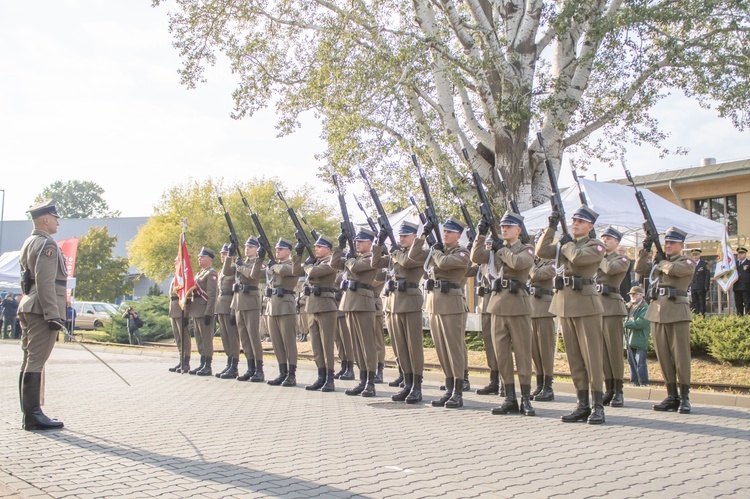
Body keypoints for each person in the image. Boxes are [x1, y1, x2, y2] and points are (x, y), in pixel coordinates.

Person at [536, 205, 606, 425]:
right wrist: (551, 227)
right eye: (573, 220)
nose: (575, 224)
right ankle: (582, 404)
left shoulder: (596, 246)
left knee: (591, 358)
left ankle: (598, 406)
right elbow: (541, 251)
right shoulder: (566, 243)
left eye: (580, 221)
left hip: (586, 305)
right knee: (574, 359)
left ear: (590, 226)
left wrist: (565, 243)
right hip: (565, 303)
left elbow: (577, 258)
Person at [471, 212, 536, 416]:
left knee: (523, 354)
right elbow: (475, 257)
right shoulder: (495, 248)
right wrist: (481, 235)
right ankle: (509, 397)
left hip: (518, 305)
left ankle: (525, 398)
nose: (505, 229)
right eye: (502, 227)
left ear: (518, 230)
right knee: (502, 355)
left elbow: (518, 263)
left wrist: (501, 250)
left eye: (509, 227)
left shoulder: (526, 249)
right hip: (497, 305)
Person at [18, 199, 67, 431]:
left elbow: (26, 281)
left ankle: (31, 413)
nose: (58, 221)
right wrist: (52, 314)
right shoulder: (47, 244)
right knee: (36, 360)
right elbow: (45, 281)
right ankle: (33, 415)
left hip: (30, 305)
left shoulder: (30, 241)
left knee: (30, 359)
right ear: (45, 220)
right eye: (55, 218)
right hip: (41, 309)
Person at [412, 216, 471, 409]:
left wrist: (435, 250)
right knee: (441, 349)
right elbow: (413, 256)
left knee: (454, 349)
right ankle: (449, 387)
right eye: (444, 231)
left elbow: (444, 263)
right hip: (434, 303)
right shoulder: (437, 250)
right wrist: (423, 236)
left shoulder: (462, 253)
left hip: (452, 304)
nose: (446, 234)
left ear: (458, 235)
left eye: (450, 232)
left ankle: (458, 391)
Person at [635, 227, 695, 414]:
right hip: (658, 311)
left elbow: (675, 271)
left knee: (680, 356)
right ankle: (671, 395)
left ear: (681, 245)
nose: (668, 245)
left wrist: (660, 263)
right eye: (666, 242)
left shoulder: (687, 261)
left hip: (677, 311)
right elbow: (639, 270)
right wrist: (646, 249)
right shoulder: (660, 261)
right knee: (664, 357)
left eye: (672, 242)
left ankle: (685, 397)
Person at [371, 221, 428, 403]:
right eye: (400, 235)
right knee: (400, 347)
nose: (402, 238)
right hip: (394, 303)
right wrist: (379, 243)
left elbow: (408, 261)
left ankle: (417, 387)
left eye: (406, 235)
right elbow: (375, 263)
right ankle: (407, 383)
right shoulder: (396, 253)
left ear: (414, 237)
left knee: (414, 347)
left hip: (410, 301)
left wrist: (396, 251)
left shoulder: (421, 253)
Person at [331, 228, 379, 397]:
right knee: (357, 346)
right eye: (356, 241)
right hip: (350, 303)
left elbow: (356, 268)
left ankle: (371, 382)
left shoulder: (371, 258)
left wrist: (350, 256)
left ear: (370, 243)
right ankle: (362, 380)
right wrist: (340, 245)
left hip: (364, 303)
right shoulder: (355, 257)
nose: (358, 243)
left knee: (367, 345)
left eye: (361, 241)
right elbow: (334, 264)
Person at [301, 235, 341, 392]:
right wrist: (300, 257)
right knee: (316, 346)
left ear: (328, 249)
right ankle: (321, 376)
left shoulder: (330, 263)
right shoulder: (316, 263)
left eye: (320, 247)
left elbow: (313, 273)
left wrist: (307, 265)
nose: (316, 249)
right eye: (315, 247)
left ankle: (330, 379)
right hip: (312, 306)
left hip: (326, 306)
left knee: (327, 345)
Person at [597, 227, 630, 408]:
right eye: (602, 238)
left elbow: (610, 269)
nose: (604, 240)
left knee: (614, 352)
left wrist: (598, 256)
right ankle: (608, 388)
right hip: (596, 308)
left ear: (617, 242)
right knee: (602, 352)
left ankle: (618, 391)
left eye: (608, 238)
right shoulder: (597, 258)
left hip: (611, 307)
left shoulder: (622, 259)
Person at [265, 238, 304, 386]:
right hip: (272, 305)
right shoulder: (275, 265)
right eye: (276, 248)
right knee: (277, 342)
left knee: (288, 342)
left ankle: (292, 374)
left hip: (285, 305)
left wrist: (273, 267)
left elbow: (287, 271)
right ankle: (282, 372)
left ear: (288, 252)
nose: (277, 251)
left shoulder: (291, 265)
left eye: (280, 249)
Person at [232, 237, 266, 382]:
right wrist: (230, 255)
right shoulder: (243, 262)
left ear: (257, 249)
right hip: (239, 302)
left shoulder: (258, 263)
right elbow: (228, 270)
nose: (247, 249)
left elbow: (253, 275)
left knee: (253, 337)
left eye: (251, 247)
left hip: (251, 302)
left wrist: (240, 267)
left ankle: (259, 369)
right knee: (244, 338)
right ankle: (250, 367)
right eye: (246, 246)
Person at [472, 236, 502, 397]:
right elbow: (472, 263)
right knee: (489, 344)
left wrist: (499, 250)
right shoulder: (483, 262)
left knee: (500, 345)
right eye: (487, 244)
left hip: (497, 304)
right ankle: (494, 380)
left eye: (491, 244)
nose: (488, 247)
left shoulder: (499, 257)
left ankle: (505, 380)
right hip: (485, 305)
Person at [528, 250, 557, 402]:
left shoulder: (552, 262)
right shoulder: (535, 262)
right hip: (531, 308)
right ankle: (539, 384)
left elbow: (536, 275)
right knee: (534, 351)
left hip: (545, 309)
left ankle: (548, 386)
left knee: (545, 350)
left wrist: (530, 265)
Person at [187, 247, 219, 376]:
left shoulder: (211, 273)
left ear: (209, 259)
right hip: (196, 310)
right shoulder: (200, 273)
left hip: (204, 311)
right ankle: (202, 362)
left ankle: (208, 365)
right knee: (199, 339)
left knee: (206, 339)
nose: (199, 258)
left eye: (202, 257)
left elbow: (212, 295)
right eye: (199, 256)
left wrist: (209, 312)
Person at [214, 244, 241, 379]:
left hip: (230, 304)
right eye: (222, 254)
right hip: (221, 305)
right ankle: (229, 362)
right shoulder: (221, 272)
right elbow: (218, 292)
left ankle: (234, 365)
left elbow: (236, 291)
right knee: (224, 337)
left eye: (225, 254)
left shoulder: (235, 269)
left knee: (232, 337)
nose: (223, 256)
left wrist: (233, 310)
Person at [624, 286, 650, 386]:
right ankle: (634, 382)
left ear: (640, 295)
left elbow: (641, 323)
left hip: (640, 340)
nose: (632, 296)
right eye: (631, 294)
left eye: (634, 294)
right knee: (631, 363)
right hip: (629, 340)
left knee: (640, 363)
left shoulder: (645, 308)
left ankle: (643, 382)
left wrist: (626, 324)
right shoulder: (628, 306)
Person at [168, 279, 191, 373]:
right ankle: (181, 360)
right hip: (173, 310)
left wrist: (185, 314)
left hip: (180, 309)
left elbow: (187, 296)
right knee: (178, 338)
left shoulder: (184, 277)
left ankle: (186, 362)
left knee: (184, 337)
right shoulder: (175, 278)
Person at [689, 248, 710, 315]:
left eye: (696, 255)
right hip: (693, 286)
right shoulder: (691, 265)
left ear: (699, 255)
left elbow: (707, 276)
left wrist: (706, 286)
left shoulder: (704, 264)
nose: (695, 256)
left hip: (701, 287)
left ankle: (702, 316)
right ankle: (696, 315)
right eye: (693, 255)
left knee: (701, 302)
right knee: (694, 303)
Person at [734, 247, 750, 316]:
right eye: (739, 253)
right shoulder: (735, 264)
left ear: (745, 254)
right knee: (738, 305)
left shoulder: (748, 263)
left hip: (746, 287)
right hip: (737, 287)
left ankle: (747, 319)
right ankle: (739, 319)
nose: (740, 255)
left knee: (747, 304)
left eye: (741, 253)